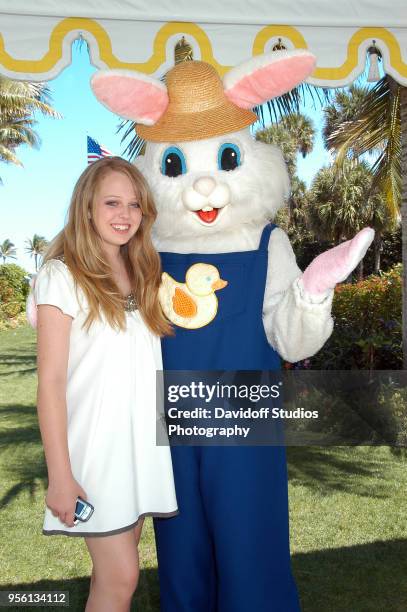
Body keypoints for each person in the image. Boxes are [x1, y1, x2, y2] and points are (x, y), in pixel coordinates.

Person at [34, 157, 178, 612]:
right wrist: (61, 475)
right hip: (94, 455)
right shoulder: (62, 276)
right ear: (87, 208)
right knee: (122, 577)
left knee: (110, 579)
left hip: (139, 451)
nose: (125, 215)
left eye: (134, 204)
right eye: (112, 202)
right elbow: (51, 383)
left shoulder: (145, 275)